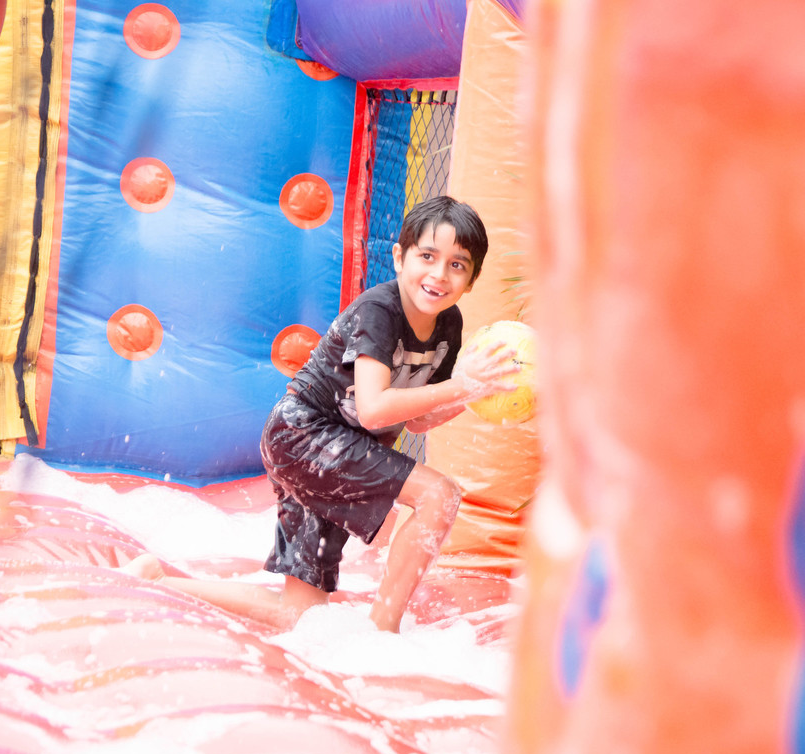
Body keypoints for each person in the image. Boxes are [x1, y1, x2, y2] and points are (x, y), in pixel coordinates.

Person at [124, 195, 518, 632]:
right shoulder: (379, 311)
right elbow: (373, 410)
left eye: (457, 265)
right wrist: (461, 385)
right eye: (427, 256)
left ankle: (161, 582)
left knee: (298, 613)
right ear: (400, 256)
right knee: (439, 495)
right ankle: (383, 631)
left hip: (324, 448)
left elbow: (417, 420)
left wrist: (471, 393)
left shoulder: (449, 327)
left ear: (472, 277)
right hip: (302, 435)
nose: (439, 275)